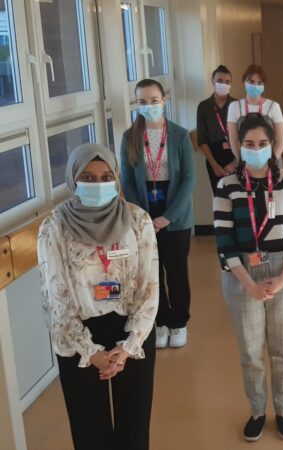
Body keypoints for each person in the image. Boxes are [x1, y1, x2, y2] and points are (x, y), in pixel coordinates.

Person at [38, 143, 158, 450]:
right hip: (78, 338)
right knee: (90, 433)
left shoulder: (138, 220)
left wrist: (130, 345)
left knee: (134, 432)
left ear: (116, 178)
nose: (98, 183)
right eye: (88, 178)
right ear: (73, 179)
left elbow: (149, 287)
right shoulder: (54, 227)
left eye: (106, 176)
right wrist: (90, 352)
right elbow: (57, 299)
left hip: (131, 333)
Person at [214, 113, 283, 442]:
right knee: (251, 352)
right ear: (239, 146)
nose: (256, 150)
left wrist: (281, 280)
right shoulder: (226, 186)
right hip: (243, 276)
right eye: (249, 144)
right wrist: (250, 284)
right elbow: (224, 243)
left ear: (273, 146)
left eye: (262, 144)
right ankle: (257, 409)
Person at [120, 79, 196, 349]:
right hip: (145, 209)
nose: (149, 106)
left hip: (175, 212)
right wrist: (142, 216)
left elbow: (188, 179)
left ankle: (179, 323)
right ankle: (161, 321)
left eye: (154, 100)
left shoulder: (179, 135)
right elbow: (127, 180)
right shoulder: (130, 137)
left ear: (164, 100)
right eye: (142, 101)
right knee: (152, 272)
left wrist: (168, 217)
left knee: (176, 271)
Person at [227, 64, 283, 167]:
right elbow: (234, 141)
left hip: (271, 162)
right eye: (251, 82)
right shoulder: (234, 107)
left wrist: (270, 162)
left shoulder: (273, 106)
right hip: (245, 163)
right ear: (244, 83)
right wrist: (244, 162)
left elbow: (280, 142)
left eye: (259, 83)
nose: (255, 86)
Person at [196, 65, 237, 190]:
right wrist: (214, 165)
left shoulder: (237, 105)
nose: (223, 84)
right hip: (214, 156)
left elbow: (244, 136)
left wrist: (236, 162)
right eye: (219, 81)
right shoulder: (203, 107)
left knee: (238, 196)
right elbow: (202, 139)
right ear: (212, 81)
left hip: (236, 154)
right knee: (219, 195)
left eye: (227, 82)